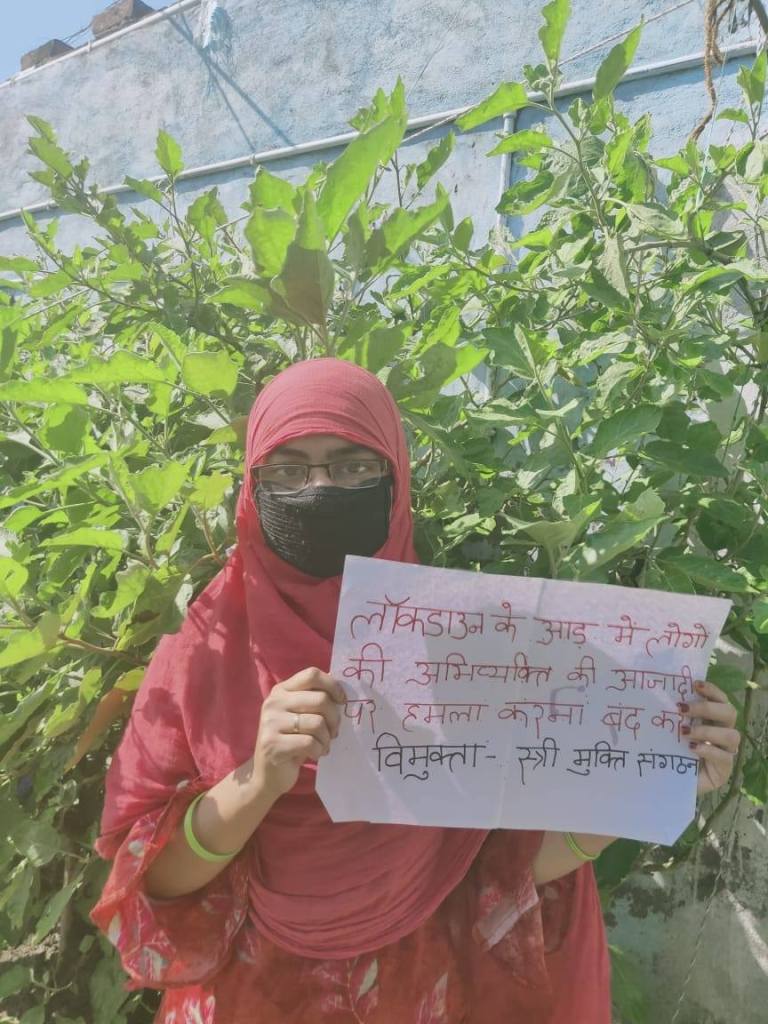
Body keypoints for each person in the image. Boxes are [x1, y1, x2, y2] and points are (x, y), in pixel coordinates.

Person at [90, 358, 741, 1024]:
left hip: (436, 988)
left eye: (353, 466)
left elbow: (498, 874)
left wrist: (653, 774)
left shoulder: (465, 643)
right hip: (259, 997)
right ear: (252, 488)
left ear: (396, 479)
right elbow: (153, 883)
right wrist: (256, 784)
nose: (320, 490)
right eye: (287, 470)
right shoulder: (203, 649)